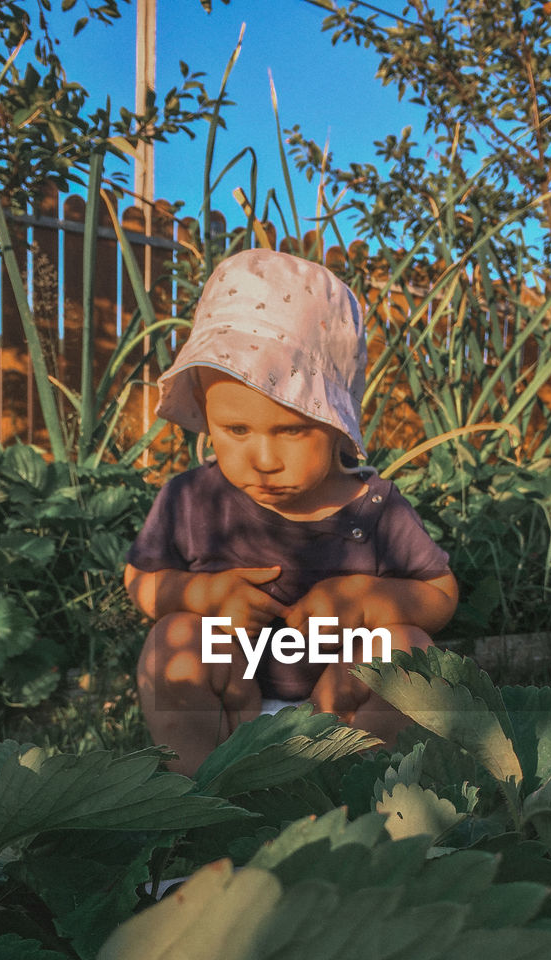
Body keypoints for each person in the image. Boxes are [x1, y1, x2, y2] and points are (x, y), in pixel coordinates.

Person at [124, 248, 458, 774]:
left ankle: (362, 792)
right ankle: (198, 792)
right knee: (172, 640)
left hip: (346, 718)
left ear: (336, 422)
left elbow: (440, 596)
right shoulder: (194, 498)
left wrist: (368, 601)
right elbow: (141, 582)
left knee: (408, 648)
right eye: (235, 430)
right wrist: (200, 593)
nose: (263, 458)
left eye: (292, 430)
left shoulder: (374, 507)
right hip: (231, 712)